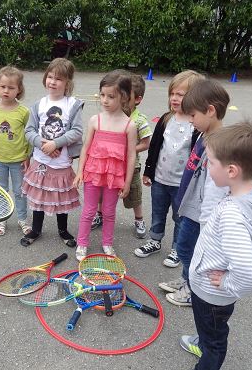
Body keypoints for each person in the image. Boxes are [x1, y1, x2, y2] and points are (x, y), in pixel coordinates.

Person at [168, 121, 252, 370]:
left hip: (213, 294)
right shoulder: (251, 193)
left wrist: (227, 284)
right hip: (210, 290)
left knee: (215, 337)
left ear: (231, 171)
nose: (206, 166)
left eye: (211, 162)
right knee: (209, 328)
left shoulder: (233, 215)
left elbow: (246, 273)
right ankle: (203, 342)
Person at [158, 79, 230, 307]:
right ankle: (186, 279)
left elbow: (216, 189)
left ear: (210, 111)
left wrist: (207, 223)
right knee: (185, 247)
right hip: (189, 206)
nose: (190, 120)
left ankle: (193, 289)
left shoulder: (218, 147)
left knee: (188, 250)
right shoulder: (203, 134)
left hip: (200, 214)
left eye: (193, 115)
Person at [134, 70, 204, 267]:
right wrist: (148, 171)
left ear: (195, 97)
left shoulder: (196, 125)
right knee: (158, 212)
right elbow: (155, 148)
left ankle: (177, 248)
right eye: (172, 93)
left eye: (180, 95)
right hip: (160, 179)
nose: (174, 98)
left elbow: (197, 156)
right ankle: (155, 241)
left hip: (182, 184)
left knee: (180, 217)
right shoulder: (166, 119)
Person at [73, 71, 137, 260]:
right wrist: (79, 171)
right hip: (93, 173)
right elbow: (86, 147)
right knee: (89, 210)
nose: (105, 100)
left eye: (111, 96)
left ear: (123, 97)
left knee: (109, 212)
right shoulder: (95, 120)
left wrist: (127, 182)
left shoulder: (129, 125)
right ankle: (82, 243)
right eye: (102, 95)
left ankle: (107, 243)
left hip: (114, 176)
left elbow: (131, 155)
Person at [21, 58, 83, 247]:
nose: (53, 82)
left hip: (61, 163)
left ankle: (63, 230)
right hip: (41, 162)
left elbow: (77, 131)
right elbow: (29, 131)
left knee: (61, 198)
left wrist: (56, 143)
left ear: (67, 83)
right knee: (39, 197)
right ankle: (36, 229)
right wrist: (43, 145)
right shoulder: (38, 104)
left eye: (58, 79)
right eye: (50, 77)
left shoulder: (72, 104)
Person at [91, 74, 152, 239]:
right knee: (102, 192)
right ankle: (100, 214)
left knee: (134, 195)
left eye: (126, 97)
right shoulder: (111, 115)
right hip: (109, 166)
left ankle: (139, 219)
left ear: (137, 99)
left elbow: (146, 143)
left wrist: (127, 151)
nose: (122, 100)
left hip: (131, 167)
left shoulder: (139, 120)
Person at [0, 66, 32, 237]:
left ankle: (22, 219)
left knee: (20, 191)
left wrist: (28, 156)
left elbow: (29, 134)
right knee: (1, 190)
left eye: (11, 87)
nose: (6, 90)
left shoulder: (24, 112)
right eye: (3, 86)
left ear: (19, 89)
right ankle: (1, 218)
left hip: (18, 159)